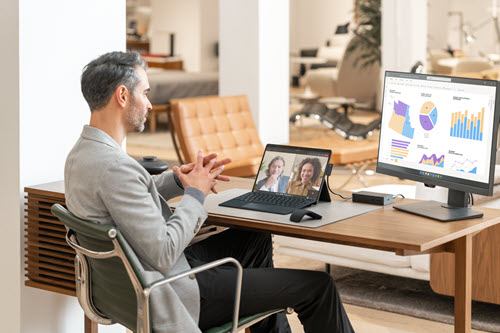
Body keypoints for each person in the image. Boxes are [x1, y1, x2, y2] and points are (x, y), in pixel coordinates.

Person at [65, 51, 354, 333]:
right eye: (146, 93)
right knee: (319, 287)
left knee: (253, 238)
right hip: (173, 291)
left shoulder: (83, 155)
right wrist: (196, 194)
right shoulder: (117, 167)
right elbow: (164, 252)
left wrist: (179, 181)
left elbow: (129, 195)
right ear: (123, 96)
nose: (150, 105)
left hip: (133, 285)